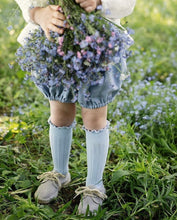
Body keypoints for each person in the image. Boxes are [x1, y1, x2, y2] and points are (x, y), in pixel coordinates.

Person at [15, 0, 136, 215]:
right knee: (60, 112)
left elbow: (126, 4)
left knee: (94, 116)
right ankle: (60, 172)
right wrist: (37, 12)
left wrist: (100, 2)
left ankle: (94, 185)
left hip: (98, 44)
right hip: (53, 41)